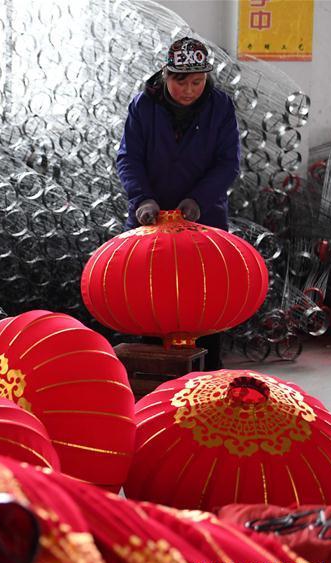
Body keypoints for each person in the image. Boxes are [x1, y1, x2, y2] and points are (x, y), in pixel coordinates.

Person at [116, 36, 241, 370]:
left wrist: (198, 200)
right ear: (165, 75)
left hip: (204, 219)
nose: (189, 90)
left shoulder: (220, 107)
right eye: (180, 81)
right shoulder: (144, 105)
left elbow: (228, 162)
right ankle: (154, 374)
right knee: (152, 301)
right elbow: (129, 159)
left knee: (204, 300)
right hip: (150, 220)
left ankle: (207, 373)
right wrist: (142, 199)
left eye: (197, 82)